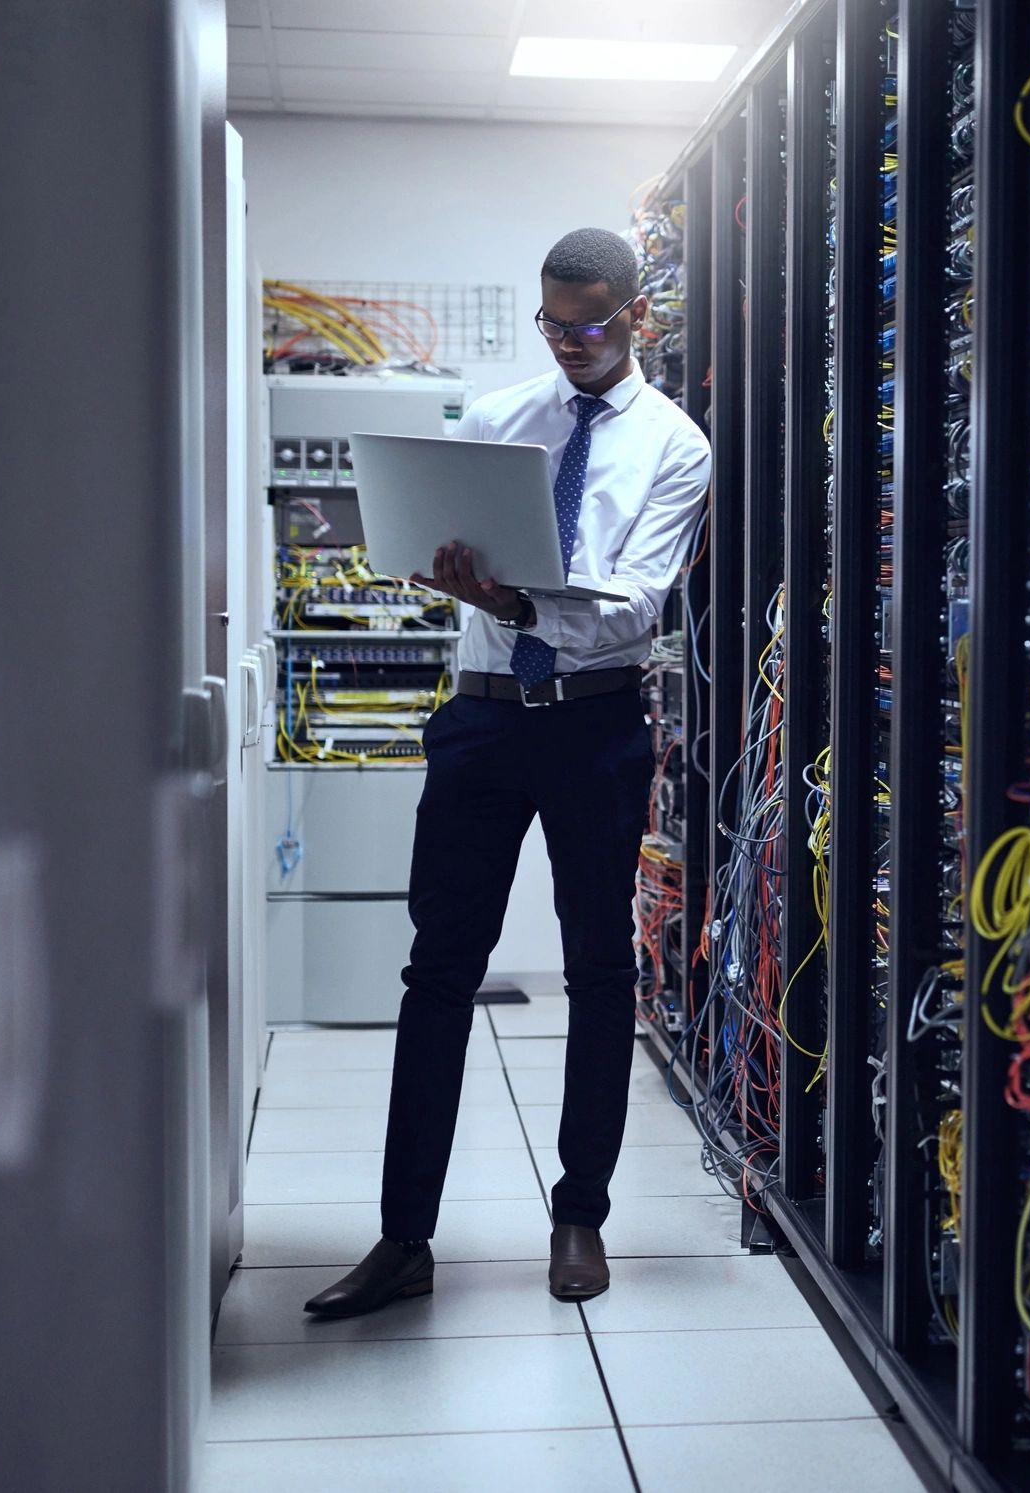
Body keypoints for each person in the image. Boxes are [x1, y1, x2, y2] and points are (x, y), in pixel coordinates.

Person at [303, 227, 711, 1316]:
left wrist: (519, 604)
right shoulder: (494, 421)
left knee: (598, 968)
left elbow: (636, 606)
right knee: (439, 968)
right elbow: (446, 554)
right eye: (553, 322)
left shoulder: (675, 445)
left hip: (594, 725)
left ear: (636, 317)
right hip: (482, 722)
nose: (568, 341)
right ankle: (403, 1236)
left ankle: (580, 1213)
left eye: (589, 324)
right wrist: (454, 577)